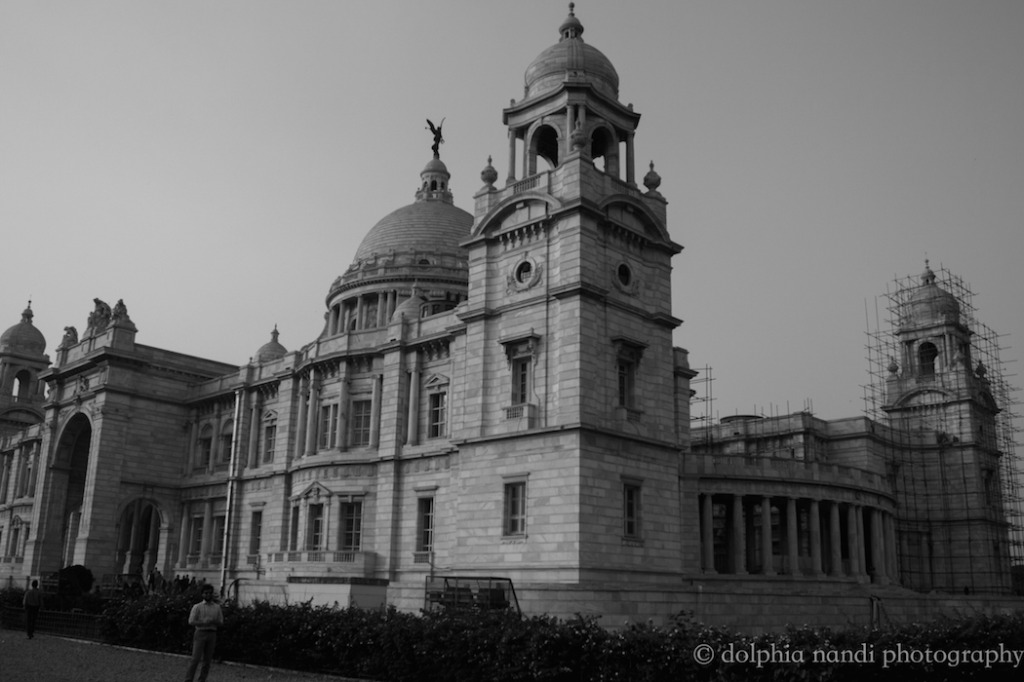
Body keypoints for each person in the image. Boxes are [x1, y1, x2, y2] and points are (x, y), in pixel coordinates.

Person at [183, 584, 224, 682]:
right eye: (206, 593)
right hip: (200, 632)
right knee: (195, 659)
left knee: (207, 660)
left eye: (210, 593)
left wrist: (214, 621)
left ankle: (202, 679)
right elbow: (191, 621)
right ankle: (188, 679)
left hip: (212, 633)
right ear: (202, 594)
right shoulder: (197, 607)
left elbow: (221, 622)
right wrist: (203, 622)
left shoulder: (217, 607)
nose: (208, 595)